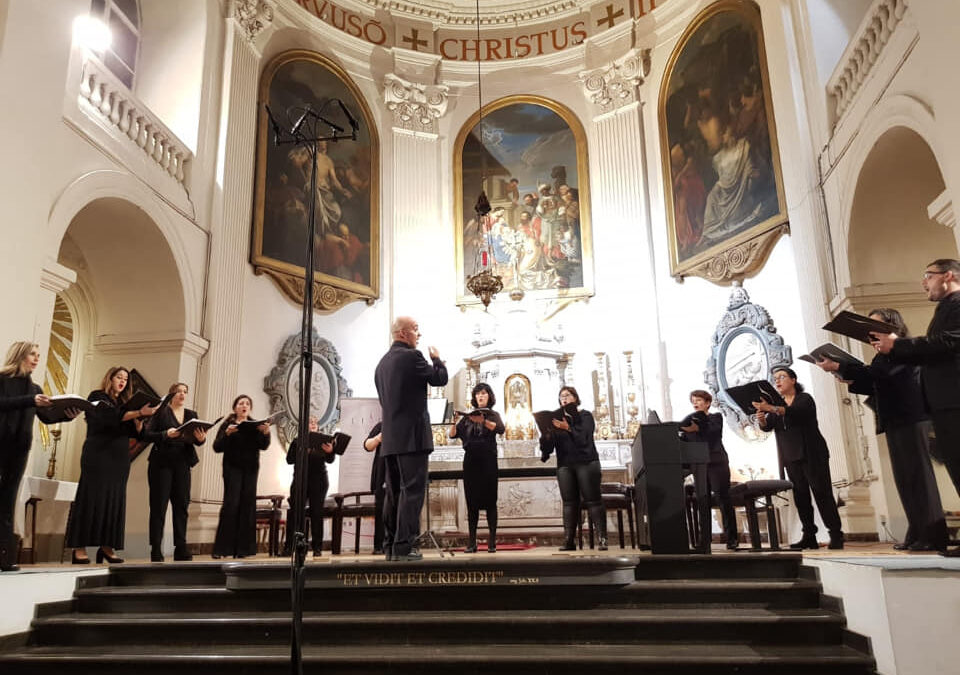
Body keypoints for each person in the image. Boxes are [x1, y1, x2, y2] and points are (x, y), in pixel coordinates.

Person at [816, 308, 947, 552]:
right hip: (896, 419)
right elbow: (876, 381)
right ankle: (917, 532)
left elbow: (884, 376)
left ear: (891, 326)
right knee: (905, 479)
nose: (870, 331)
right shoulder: (883, 355)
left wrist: (842, 366)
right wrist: (843, 373)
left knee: (919, 479)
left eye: (874, 324)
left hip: (912, 418)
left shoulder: (903, 347)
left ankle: (933, 535)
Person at [872, 259, 960, 556]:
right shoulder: (946, 308)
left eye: (928, 276)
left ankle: (931, 534)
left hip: (952, 401)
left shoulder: (958, 304)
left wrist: (898, 346)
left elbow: (947, 343)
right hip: (943, 404)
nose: (924, 282)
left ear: (948, 276)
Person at [374, 316, 448, 562]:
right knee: (412, 491)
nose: (419, 334)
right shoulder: (412, 357)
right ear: (404, 333)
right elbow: (439, 379)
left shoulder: (381, 364)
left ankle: (390, 546)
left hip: (391, 440)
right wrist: (437, 359)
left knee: (393, 492)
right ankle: (405, 547)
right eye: (416, 329)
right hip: (412, 439)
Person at [69, 366, 158, 564]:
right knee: (90, 499)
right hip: (98, 454)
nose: (122, 381)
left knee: (114, 502)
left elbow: (139, 435)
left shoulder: (124, 403)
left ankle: (107, 548)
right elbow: (107, 417)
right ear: (110, 378)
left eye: (125, 379)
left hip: (118, 458)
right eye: (119, 377)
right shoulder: (97, 396)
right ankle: (79, 549)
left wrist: (140, 420)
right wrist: (136, 413)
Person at [755, 367, 844, 550]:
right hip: (791, 456)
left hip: (812, 453)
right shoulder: (776, 406)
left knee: (822, 493)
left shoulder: (804, 399)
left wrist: (771, 408)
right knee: (801, 497)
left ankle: (836, 534)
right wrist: (763, 418)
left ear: (793, 380)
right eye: (775, 379)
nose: (778, 381)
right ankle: (809, 535)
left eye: (782, 377)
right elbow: (767, 427)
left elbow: (795, 413)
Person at [0, 342, 62, 571]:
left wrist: (68, 414)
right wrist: (29, 401)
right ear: (20, 355)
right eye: (32, 354)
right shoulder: (2, 381)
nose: (36, 359)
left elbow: (47, 418)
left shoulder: (35, 388)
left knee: (7, 502)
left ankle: (5, 559)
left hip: (18, 450)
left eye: (38, 355)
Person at [141, 382, 206, 562]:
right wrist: (165, 435)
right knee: (158, 507)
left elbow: (196, 438)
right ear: (171, 395)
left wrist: (201, 440)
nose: (182, 395)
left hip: (182, 463)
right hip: (161, 463)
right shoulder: (161, 411)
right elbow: (146, 435)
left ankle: (181, 547)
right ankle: (156, 548)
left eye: (185, 392)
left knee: (181, 506)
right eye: (178, 392)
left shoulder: (192, 415)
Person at [539, 386, 608, 551]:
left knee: (593, 500)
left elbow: (584, 438)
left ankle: (602, 539)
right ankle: (569, 540)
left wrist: (568, 428)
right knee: (569, 503)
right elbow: (548, 449)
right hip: (565, 464)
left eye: (567, 395)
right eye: (561, 396)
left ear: (575, 398)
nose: (564, 398)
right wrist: (547, 435)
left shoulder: (585, 416)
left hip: (586, 462)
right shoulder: (556, 420)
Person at [212, 395, 271, 559]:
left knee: (247, 505)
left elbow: (264, 446)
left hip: (251, 470)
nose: (244, 406)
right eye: (240, 403)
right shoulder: (227, 424)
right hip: (233, 469)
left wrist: (265, 433)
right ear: (235, 407)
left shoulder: (255, 425)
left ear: (249, 408)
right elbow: (217, 447)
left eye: (247, 403)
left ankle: (243, 549)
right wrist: (227, 435)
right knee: (231, 504)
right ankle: (222, 549)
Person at [679, 389, 739, 550]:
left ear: (707, 403)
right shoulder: (688, 424)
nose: (695, 403)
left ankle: (732, 538)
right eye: (693, 400)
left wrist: (697, 428)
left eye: (699, 400)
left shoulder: (715, 417)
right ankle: (704, 541)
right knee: (702, 501)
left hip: (716, 463)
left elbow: (713, 433)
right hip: (699, 467)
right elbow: (683, 443)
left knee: (723, 499)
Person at [448, 383, 505, 553]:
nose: (480, 397)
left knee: (490, 501)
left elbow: (501, 429)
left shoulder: (493, 414)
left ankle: (492, 541)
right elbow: (453, 435)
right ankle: (472, 542)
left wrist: (484, 421)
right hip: (471, 461)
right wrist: (453, 421)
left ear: (489, 396)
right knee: (471, 502)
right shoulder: (467, 418)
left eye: (483, 394)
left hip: (488, 460)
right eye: (478, 394)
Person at [285, 416, 334, 557]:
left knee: (316, 513)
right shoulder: (297, 441)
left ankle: (317, 547)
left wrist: (330, 451)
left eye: (314, 423)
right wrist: (301, 452)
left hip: (319, 481)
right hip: (300, 480)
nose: (312, 425)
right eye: (309, 423)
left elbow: (330, 460)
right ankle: (291, 546)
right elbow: (289, 460)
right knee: (296, 512)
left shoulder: (324, 441)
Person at [363, 422, 386, 555]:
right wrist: (378, 438)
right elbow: (367, 446)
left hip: (400, 470)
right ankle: (379, 545)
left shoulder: (406, 422)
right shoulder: (381, 425)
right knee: (381, 508)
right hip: (383, 470)